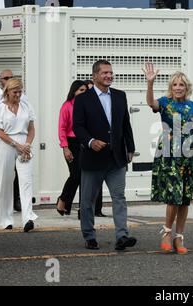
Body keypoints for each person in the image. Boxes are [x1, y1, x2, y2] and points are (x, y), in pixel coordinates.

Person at [143, 63, 193, 255]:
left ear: (187, 88)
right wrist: (150, 83)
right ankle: (166, 232)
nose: (178, 87)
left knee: (185, 198)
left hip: (188, 156)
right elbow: (150, 103)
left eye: (182, 85)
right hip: (169, 154)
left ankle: (179, 237)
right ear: (171, 87)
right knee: (174, 195)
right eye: (175, 85)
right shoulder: (164, 102)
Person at [73, 60, 136, 250]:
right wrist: (91, 141)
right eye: (104, 73)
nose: (109, 76)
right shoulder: (83, 99)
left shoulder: (120, 96)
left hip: (116, 158)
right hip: (93, 158)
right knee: (88, 201)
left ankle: (122, 236)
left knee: (119, 197)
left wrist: (130, 147)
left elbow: (125, 124)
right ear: (94, 76)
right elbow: (77, 126)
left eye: (110, 72)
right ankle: (89, 236)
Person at [0, 78, 37, 232]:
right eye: (15, 92)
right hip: (6, 145)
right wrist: (16, 145)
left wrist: (27, 145)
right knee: (5, 182)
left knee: (26, 181)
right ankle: (5, 220)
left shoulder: (26, 106)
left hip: (24, 146)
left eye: (20, 91)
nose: (18, 94)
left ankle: (28, 218)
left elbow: (31, 129)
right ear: (8, 92)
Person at [56, 80, 106, 219]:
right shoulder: (67, 106)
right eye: (81, 90)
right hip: (71, 143)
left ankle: (82, 210)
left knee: (86, 177)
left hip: (85, 141)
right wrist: (65, 147)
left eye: (86, 90)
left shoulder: (88, 105)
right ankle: (63, 200)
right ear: (74, 91)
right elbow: (62, 129)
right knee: (76, 175)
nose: (85, 93)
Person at [0, 69, 26, 212]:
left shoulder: (23, 98)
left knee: (19, 173)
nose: (8, 79)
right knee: (4, 173)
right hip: (0, 138)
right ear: (0, 80)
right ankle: (3, 205)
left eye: (11, 77)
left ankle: (16, 200)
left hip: (19, 140)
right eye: (6, 77)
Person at [83, 79, 105, 217]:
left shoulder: (112, 98)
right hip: (84, 145)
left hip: (105, 148)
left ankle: (98, 209)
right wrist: (90, 141)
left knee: (116, 194)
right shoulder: (81, 101)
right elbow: (74, 126)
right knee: (85, 187)